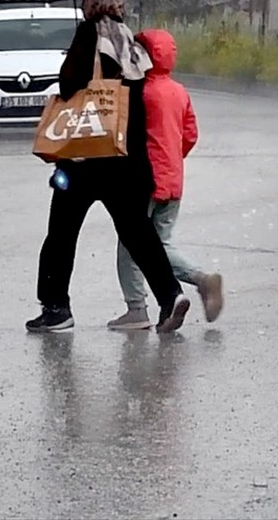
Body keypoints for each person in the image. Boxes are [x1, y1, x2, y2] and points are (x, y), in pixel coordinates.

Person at [27, 0, 191, 334]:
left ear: (91, 3)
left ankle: (56, 308)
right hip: (128, 160)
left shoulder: (89, 34)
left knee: (61, 233)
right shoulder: (129, 40)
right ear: (118, 3)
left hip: (85, 159)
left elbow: (69, 84)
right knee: (138, 233)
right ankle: (170, 295)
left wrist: (74, 53)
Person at [108, 29, 224, 331]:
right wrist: (172, 159)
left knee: (133, 246)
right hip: (173, 180)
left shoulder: (140, 92)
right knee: (160, 242)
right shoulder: (178, 91)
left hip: (146, 180)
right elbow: (190, 135)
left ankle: (138, 307)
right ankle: (173, 303)